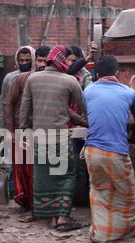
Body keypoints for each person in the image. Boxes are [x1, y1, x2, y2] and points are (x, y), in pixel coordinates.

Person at [83, 55, 135, 243]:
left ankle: (101, 233)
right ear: (118, 73)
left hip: (92, 152)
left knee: (99, 192)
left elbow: (89, 113)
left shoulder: (88, 90)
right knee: (129, 196)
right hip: (116, 153)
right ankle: (128, 230)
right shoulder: (129, 93)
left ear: (96, 72)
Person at [19, 46, 85, 231]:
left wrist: (24, 129)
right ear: (62, 61)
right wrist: (86, 121)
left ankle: (49, 215)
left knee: (44, 174)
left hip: (39, 137)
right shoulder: (70, 81)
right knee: (67, 175)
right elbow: (82, 105)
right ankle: (62, 217)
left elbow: (25, 109)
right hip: (61, 137)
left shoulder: (33, 79)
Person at [3, 46, 50, 221]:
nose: (43, 65)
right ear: (35, 60)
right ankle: (30, 206)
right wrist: (9, 131)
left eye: (46, 61)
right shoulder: (21, 79)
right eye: (40, 60)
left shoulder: (52, 81)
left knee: (43, 171)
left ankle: (42, 206)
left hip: (46, 133)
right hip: (23, 133)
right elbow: (7, 104)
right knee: (24, 171)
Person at [0, 46, 35, 129]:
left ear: (33, 60)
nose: (24, 63)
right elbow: (4, 104)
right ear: (17, 61)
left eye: (28, 60)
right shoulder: (10, 78)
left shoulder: (37, 77)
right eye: (21, 61)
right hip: (15, 124)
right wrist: (1, 128)